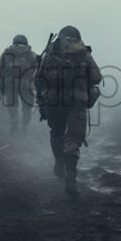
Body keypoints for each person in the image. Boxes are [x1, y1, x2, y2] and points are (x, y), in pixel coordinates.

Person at [34, 26, 101, 198]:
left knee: (56, 132)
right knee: (73, 137)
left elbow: (39, 78)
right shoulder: (84, 53)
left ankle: (58, 162)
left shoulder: (51, 51)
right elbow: (96, 77)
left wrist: (42, 102)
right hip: (76, 102)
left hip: (54, 101)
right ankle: (71, 176)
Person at [0, 34, 38, 132]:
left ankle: (14, 122)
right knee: (27, 107)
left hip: (9, 84)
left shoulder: (6, 53)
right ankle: (25, 127)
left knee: (12, 106)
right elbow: (37, 69)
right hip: (26, 84)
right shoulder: (30, 54)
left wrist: (1, 85)